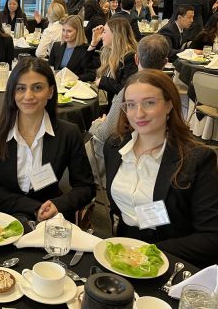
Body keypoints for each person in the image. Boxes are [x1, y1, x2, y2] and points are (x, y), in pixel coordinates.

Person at [104, 69, 218, 268]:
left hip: (173, 258)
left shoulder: (196, 159)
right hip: (124, 253)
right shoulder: (115, 147)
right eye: (131, 105)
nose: (138, 113)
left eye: (149, 103)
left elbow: (211, 237)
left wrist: (149, 253)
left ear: (169, 105)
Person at [0, 57, 96, 222]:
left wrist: (58, 205)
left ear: (50, 92)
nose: (28, 96)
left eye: (37, 88)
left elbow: (85, 187)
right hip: (1, 214)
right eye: (21, 88)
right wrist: (33, 208)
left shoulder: (68, 133)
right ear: (12, 92)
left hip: (49, 215)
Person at [89, 34, 169, 161]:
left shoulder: (129, 93)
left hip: (127, 154)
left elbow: (104, 134)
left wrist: (97, 124)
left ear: (136, 59)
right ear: (165, 62)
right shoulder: (172, 91)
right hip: (163, 153)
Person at [91, 17, 138, 111]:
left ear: (115, 35)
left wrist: (104, 81)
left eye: (104, 32)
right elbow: (88, 68)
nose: (101, 35)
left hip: (120, 111)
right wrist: (93, 43)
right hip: (110, 106)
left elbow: (126, 90)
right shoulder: (110, 52)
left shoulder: (130, 57)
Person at [48, 15, 97, 82]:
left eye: (69, 31)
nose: (65, 34)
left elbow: (91, 75)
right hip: (57, 84)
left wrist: (73, 79)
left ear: (78, 32)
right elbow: (50, 66)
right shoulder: (57, 46)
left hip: (75, 87)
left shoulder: (86, 49)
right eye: (63, 30)